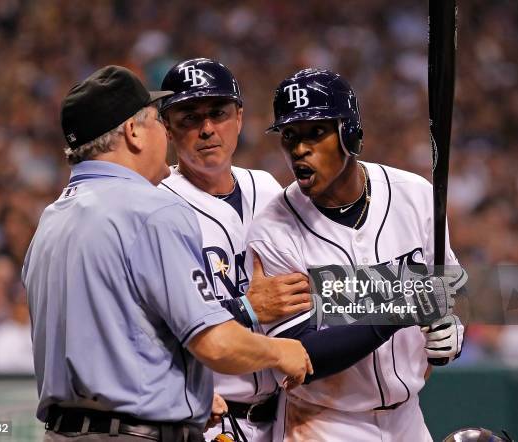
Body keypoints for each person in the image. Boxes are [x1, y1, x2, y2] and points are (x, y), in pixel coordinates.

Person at [22, 65, 312, 442]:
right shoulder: (151, 209)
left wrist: (177, 395)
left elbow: (115, 330)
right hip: (136, 433)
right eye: (159, 121)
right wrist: (278, 350)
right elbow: (214, 343)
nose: (165, 131)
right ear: (133, 132)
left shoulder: (51, 219)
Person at [246, 68, 468, 442]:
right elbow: (301, 354)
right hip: (323, 422)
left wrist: (449, 333)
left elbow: (448, 285)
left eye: (315, 132)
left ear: (349, 133)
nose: (299, 149)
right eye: (290, 136)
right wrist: (396, 309)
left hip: (408, 417)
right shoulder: (273, 229)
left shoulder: (413, 194)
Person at [159, 58, 312, 442]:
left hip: (286, 415)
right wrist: (246, 308)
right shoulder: (156, 208)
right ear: (167, 130)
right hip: (208, 420)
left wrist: (416, 299)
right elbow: (151, 329)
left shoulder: (270, 189)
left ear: (239, 118)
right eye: (189, 118)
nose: (207, 128)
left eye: (218, 113)